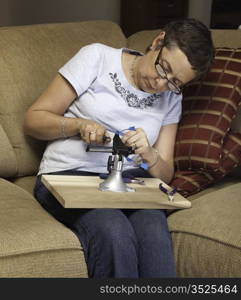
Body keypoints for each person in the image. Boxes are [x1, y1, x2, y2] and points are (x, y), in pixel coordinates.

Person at [24, 18, 214, 278]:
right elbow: (33, 119)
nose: (161, 85)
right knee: (113, 229)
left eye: (174, 82)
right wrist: (79, 125)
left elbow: (165, 174)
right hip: (68, 175)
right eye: (163, 68)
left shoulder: (171, 97)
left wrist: (150, 154)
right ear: (158, 42)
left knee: (154, 233)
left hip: (131, 185)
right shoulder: (97, 58)